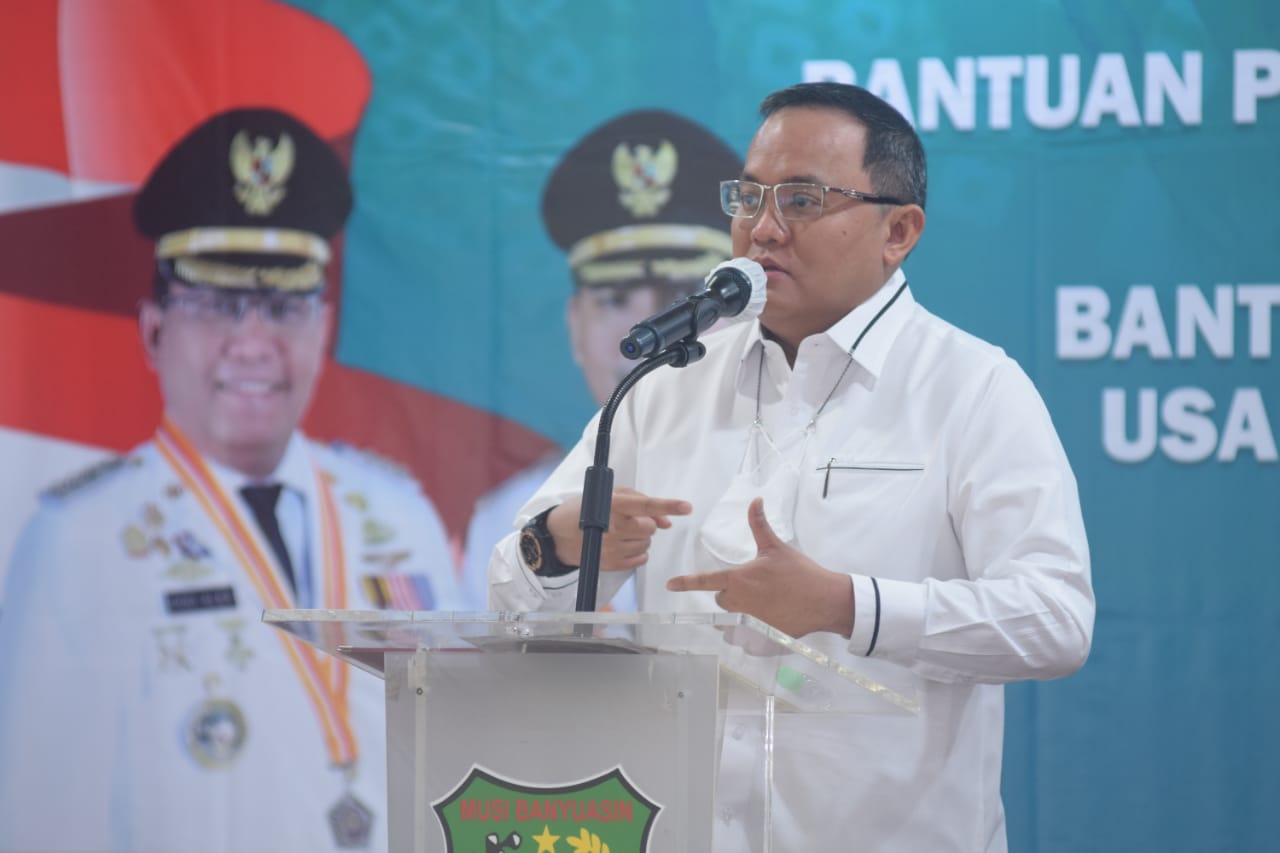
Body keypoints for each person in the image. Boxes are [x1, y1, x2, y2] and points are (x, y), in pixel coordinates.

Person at [489, 82, 1094, 852]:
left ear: (898, 230)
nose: (762, 229)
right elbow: (512, 600)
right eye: (748, 197)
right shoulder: (667, 384)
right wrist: (560, 545)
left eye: (802, 201)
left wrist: (847, 605)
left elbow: (1055, 619)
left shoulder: (972, 388)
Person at [0, 108, 461, 853]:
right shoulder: (80, 540)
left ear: (322, 328)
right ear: (154, 332)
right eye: (217, 305)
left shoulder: (398, 515)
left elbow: (461, 758)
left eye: (282, 307)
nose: (252, 344)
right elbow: (40, 820)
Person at [461, 109, 741, 611]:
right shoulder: (501, 514)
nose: (649, 327)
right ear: (575, 325)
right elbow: (505, 626)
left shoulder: (780, 440)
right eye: (615, 299)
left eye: (682, 297)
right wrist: (558, 546)